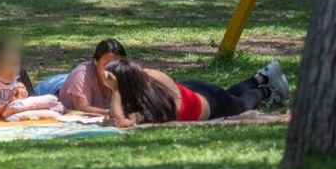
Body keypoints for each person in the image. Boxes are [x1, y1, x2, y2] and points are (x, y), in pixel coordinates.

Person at [103, 58, 289, 126]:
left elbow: (119, 122)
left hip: (207, 103)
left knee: (240, 105)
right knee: (231, 94)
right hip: (194, 90)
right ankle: (261, 77)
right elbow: (116, 118)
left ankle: (265, 91)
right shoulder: (145, 81)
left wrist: (116, 89)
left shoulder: (149, 86)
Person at [57, 39, 128, 115]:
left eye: (117, 64)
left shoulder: (125, 73)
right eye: (107, 64)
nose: (113, 69)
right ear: (96, 62)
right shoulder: (82, 75)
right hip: (54, 87)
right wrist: (112, 113)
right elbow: (82, 108)